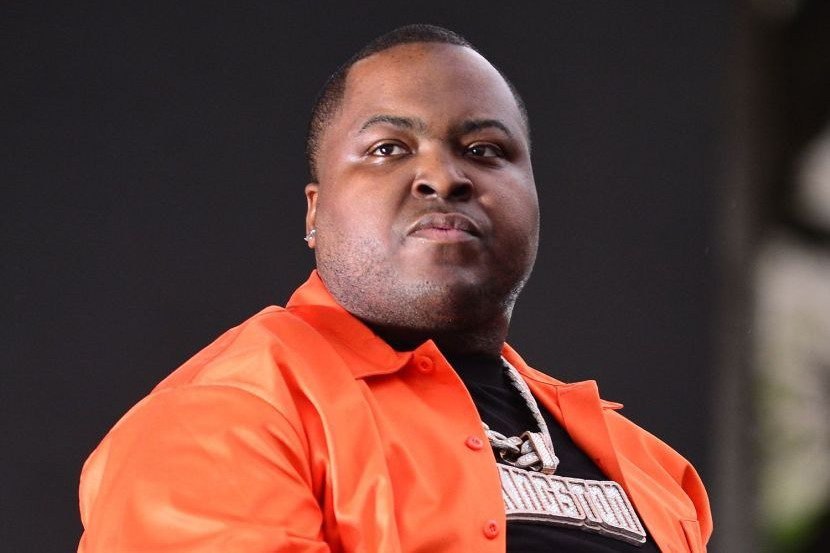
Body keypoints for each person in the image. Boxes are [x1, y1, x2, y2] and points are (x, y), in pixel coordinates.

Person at [78, 24, 712, 552]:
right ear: (314, 212)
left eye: (484, 149)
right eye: (387, 148)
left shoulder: (652, 466)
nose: (442, 175)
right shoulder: (225, 417)